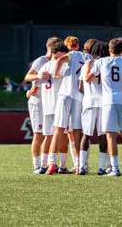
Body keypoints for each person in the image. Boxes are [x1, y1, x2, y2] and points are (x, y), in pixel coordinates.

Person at [85, 38, 122, 177]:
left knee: (110, 135)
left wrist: (88, 67)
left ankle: (115, 168)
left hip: (108, 101)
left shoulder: (101, 61)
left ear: (109, 50)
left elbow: (88, 78)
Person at [45, 37, 94, 175]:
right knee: (77, 130)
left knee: (59, 129)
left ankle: (51, 164)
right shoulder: (89, 57)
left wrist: (55, 73)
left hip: (65, 93)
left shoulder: (71, 55)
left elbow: (60, 60)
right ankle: (79, 165)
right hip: (79, 96)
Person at [23, 36, 61, 173]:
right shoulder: (41, 60)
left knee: (50, 134)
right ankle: (36, 165)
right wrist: (38, 77)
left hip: (48, 101)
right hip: (38, 101)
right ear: (51, 48)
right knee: (38, 134)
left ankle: (50, 163)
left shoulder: (57, 62)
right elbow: (27, 77)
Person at [33, 42, 70, 173]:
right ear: (59, 53)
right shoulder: (64, 65)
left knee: (48, 136)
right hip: (59, 105)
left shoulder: (44, 67)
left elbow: (35, 86)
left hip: (47, 105)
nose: (67, 57)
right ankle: (63, 165)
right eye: (65, 54)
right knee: (63, 136)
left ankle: (43, 165)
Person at [78, 41, 109, 175]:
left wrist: (89, 94)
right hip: (104, 102)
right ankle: (102, 167)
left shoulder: (87, 64)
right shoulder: (107, 63)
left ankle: (82, 166)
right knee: (103, 135)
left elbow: (80, 87)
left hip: (89, 101)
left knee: (86, 135)